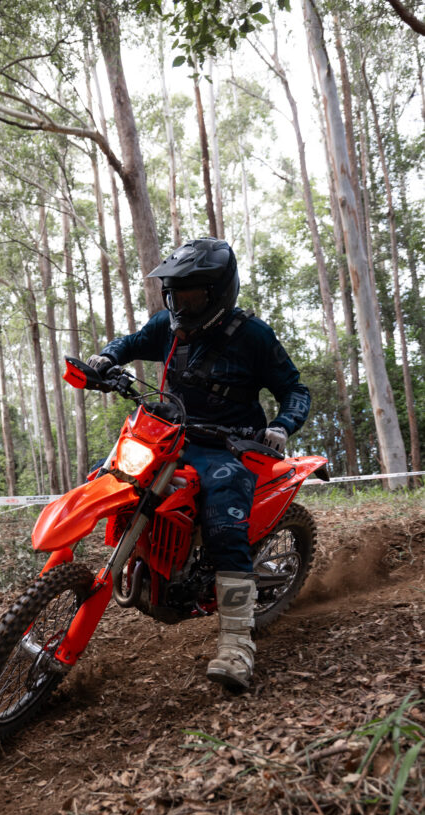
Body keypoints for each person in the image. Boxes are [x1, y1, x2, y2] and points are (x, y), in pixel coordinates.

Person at [87, 238, 311, 694]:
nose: (180, 304)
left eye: (190, 294)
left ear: (218, 293)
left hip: (228, 447)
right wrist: (107, 357)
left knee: (224, 521)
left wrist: (282, 426)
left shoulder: (253, 336)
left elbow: (295, 389)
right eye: (174, 294)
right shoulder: (166, 326)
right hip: (168, 436)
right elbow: (131, 343)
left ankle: (237, 644)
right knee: (105, 474)